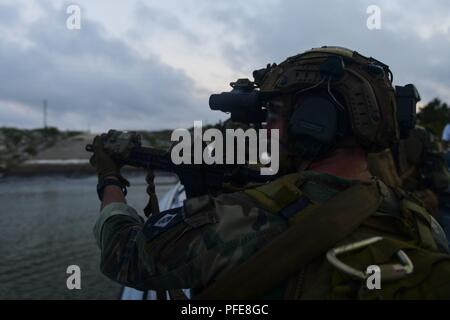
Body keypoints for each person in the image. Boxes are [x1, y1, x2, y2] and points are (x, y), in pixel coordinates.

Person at [91, 46, 450, 299]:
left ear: (313, 123)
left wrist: (110, 181)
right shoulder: (415, 219)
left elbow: (125, 253)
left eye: (276, 113)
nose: (267, 128)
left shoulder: (248, 218)